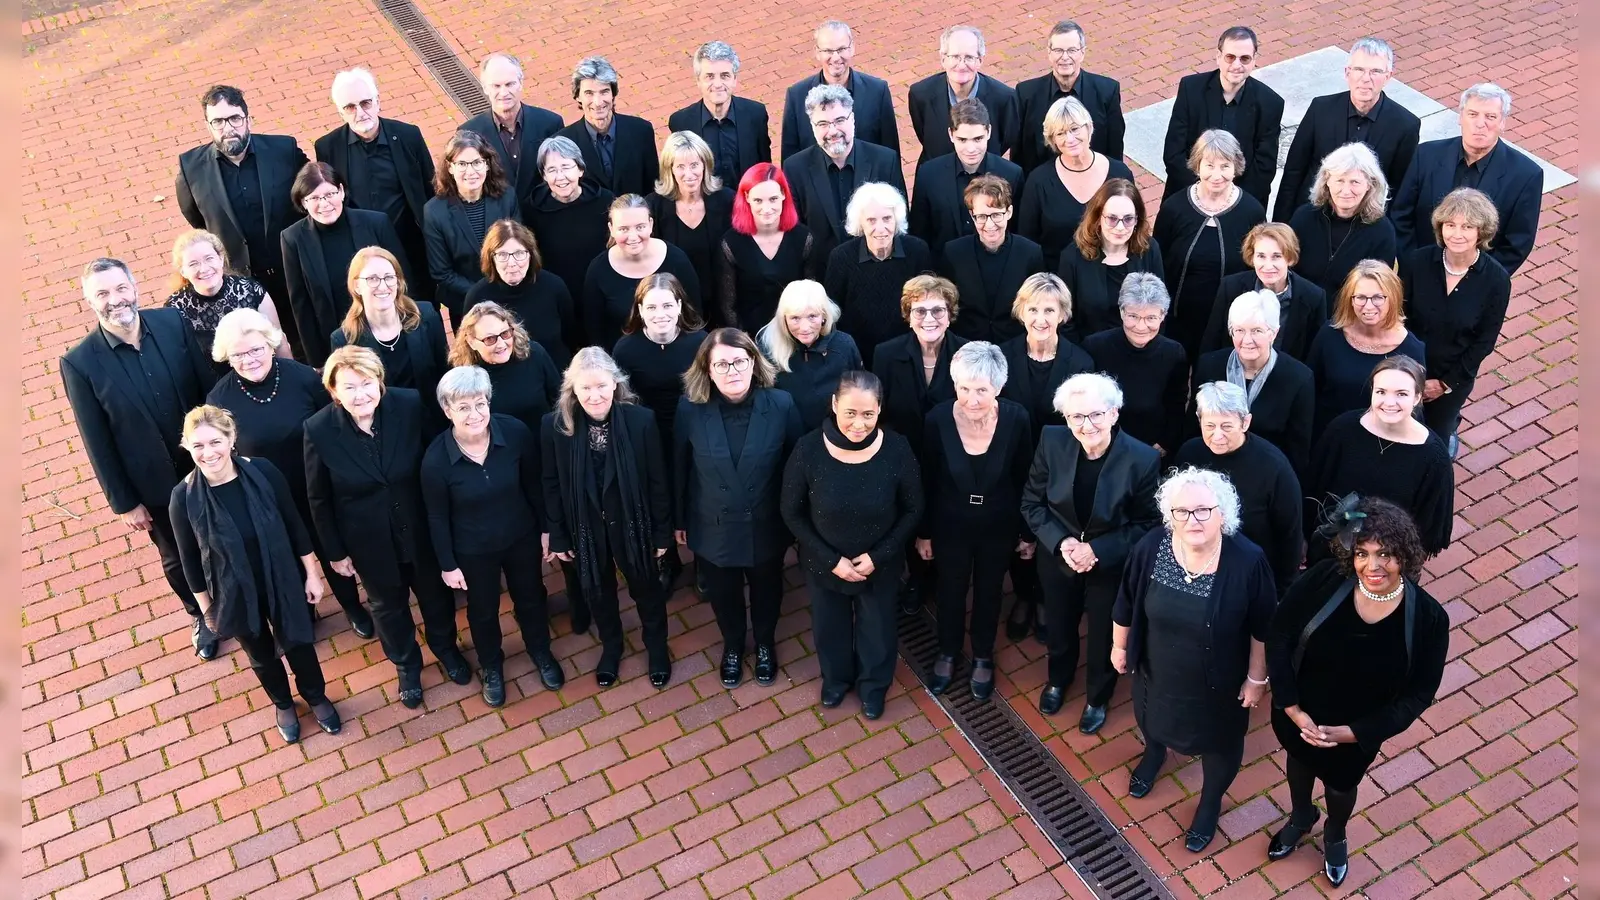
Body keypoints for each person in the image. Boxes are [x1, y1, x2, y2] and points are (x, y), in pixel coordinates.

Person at [1265, 496, 1449, 887]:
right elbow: (1280, 634)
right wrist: (1292, 708)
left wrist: (1356, 733)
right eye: (1363, 554)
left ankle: (1335, 832)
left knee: (1341, 785)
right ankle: (1301, 817)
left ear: (1406, 555)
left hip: (1359, 729)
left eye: (1386, 554)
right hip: (1302, 711)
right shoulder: (1325, 579)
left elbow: (1418, 695)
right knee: (1298, 760)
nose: (1373, 566)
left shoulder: (1430, 619)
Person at [62, 258, 220, 660]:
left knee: (228, 533)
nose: (114, 300)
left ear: (133, 286)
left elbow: (208, 388)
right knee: (177, 554)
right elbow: (95, 440)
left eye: (119, 288)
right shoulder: (79, 363)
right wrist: (124, 502)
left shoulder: (171, 323)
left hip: (207, 463)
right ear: (88, 301)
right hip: (153, 486)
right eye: (102, 294)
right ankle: (201, 615)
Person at [1111, 466, 1275, 850]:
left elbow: (1263, 627)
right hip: (1157, 670)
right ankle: (1154, 754)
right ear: (1170, 516)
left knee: (1219, 744)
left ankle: (1210, 802)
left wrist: (1256, 678)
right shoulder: (1151, 547)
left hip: (1218, 682)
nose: (1193, 520)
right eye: (1182, 512)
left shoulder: (1247, 561)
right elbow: (1126, 601)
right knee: (1150, 718)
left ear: (1223, 513)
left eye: (1203, 510)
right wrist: (1120, 647)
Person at [304, 346, 468, 709]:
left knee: (435, 597)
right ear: (333, 391)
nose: (360, 394)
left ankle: (445, 649)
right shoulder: (317, 430)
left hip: (420, 528)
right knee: (387, 606)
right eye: (349, 387)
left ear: (380, 381)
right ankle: (407, 665)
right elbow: (319, 498)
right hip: (368, 541)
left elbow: (437, 461)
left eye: (367, 383)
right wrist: (335, 551)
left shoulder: (409, 405)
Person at [171, 406, 336, 742]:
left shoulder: (263, 472)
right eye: (197, 445)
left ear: (231, 439)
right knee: (260, 654)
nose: (208, 453)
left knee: (299, 643)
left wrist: (312, 574)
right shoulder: (183, 497)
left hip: (283, 577)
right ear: (186, 446)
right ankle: (283, 703)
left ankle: (316, 696)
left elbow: (294, 524)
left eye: (215, 442)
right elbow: (189, 560)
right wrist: (207, 613)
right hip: (234, 590)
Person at [207, 310, 370, 638]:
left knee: (330, 546)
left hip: (316, 482)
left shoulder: (304, 378)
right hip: (266, 494)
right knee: (286, 555)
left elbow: (334, 425)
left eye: (256, 349)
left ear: (270, 344)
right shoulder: (219, 399)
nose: (250, 359)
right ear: (227, 357)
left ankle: (351, 605)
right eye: (239, 354)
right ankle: (304, 609)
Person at [781, 370, 923, 719]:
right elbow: (791, 512)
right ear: (834, 405)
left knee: (878, 628)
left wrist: (878, 556)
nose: (858, 424)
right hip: (824, 563)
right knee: (830, 626)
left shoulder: (897, 449)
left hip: (879, 564)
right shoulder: (808, 449)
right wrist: (831, 560)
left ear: (879, 411)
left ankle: (874, 686)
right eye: (850, 413)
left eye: (868, 414)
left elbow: (913, 508)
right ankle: (836, 680)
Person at [1021, 372, 1161, 728]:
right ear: (1065, 418)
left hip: (1110, 563)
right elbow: (1032, 503)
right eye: (1076, 416)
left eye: (1096, 414)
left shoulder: (1142, 459)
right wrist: (1062, 542)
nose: (1087, 425)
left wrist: (1096, 550)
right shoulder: (1051, 441)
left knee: (1103, 633)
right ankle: (1058, 679)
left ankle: (1098, 696)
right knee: (1059, 623)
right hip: (1059, 556)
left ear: (1114, 413)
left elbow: (1147, 525)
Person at [422, 366, 560, 706]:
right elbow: (436, 517)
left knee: (531, 597)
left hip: (521, 536)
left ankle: (540, 651)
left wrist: (546, 529)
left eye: (480, 403)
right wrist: (448, 565)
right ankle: (492, 666)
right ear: (447, 410)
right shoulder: (436, 460)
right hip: (472, 551)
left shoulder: (514, 433)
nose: (474, 414)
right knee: (482, 611)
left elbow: (534, 485)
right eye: (463, 407)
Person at [675, 329, 805, 687]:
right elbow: (680, 468)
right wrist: (678, 519)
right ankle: (733, 645)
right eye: (721, 364)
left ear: (753, 363)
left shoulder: (781, 404)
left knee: (767, 588)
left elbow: (797, 467)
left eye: (739, 361)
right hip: (711, 522)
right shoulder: (690, 408)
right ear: (707, 369)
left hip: (766, 521)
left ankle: (764, 643)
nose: (732, 370)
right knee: (723, 592)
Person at [541, 348, 675, 688]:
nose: (594, 395)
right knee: (598, 592)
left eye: (601, 386)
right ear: (573, 391)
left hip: (634, 525)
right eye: (585, 389)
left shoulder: (641, 421)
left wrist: (662, 535)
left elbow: (659, 482)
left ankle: (657, 648)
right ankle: (611, 647)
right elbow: (551, 484)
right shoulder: (557, 426)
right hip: (585, 528)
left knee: (647, 590)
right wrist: (557, 535)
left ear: (616, 385)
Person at [917, 342, 1034, 700]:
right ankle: (948, 651)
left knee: (989, 591)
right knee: (950, 590)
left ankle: (983, 655)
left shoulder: (1016, 419)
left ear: (998, 388)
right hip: (950, 524)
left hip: (998, 526)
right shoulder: (937, 419)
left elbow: (1026, 477)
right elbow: (927, 478)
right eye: (964, 388)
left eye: (981, 389)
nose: (971, 399)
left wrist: (1026, 533)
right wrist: (924, 533)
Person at [176, 85, 310, 353]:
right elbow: (197, 219)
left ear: (248, 119)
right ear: (208, 125)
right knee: (257, 353)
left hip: (293, 275)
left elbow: (308, 198)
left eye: (234, 118)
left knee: (306, 347)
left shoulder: (284, 149)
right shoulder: (190, 167)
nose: (228, 128)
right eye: (218, 121)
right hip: (239, 287)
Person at [875, 276, 968, 614]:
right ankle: (917, 577)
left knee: (948, 518)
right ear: (908, 314)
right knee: (911, 516)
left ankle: (946, 577)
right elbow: (880, 412)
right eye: (920, 310)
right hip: (905, 456)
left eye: (938, 310)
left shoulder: (968, 352)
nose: (929, 318)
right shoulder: (886, 354)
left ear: (951, 312)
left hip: (955, 459)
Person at [1304, 356, 1454, 560]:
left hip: (1388, 561)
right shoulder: (1341, 430)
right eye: (1381, 392)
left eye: (1401, 394)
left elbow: (1427, 533)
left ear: (1418, 397)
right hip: (1329, 550)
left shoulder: (1434, 458)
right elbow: (1314, 488)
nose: (1389, 403)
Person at [1390, 83, 1542, 275]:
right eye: (1473, 114)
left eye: (1490, 116)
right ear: (1460, 117)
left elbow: (1517, 244)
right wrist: (1416, 266)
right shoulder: (1426, 155)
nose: (1480, 123)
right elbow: (1401, 216)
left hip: (1478, 286)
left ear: (1502, 123)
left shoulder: (1526, 175)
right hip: (1417, 273)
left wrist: (1475, 280)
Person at [1401, 187, 1512, 448]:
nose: (1457, 234)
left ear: (1481, 233)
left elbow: (1483, 342)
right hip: (1407, 364)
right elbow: (1399, 315)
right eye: (1450, 225)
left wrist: (1444, 383)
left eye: (1467, 227)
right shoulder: (1417, 262)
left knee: (1434, 440)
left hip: (1452, 377)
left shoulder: (1496, 281)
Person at [315, 67, 437, 301]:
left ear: (378, 101)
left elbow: (430, 189)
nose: (360, 112)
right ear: (341, 112)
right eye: (350, 107)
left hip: (412, 249)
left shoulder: (408, 136)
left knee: (421, 310)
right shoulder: (327, 147)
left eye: (366, 103)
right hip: (362, 256)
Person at [1272, 38, 1421, 223]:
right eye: (1359, 69)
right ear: (1347, 72)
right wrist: (1281, 225)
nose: (1366, 78)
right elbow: (1294, 171)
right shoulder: (1320, 109)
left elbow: (1398, 189)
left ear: (1388, 76)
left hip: (1364, 224)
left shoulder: (1405, 125)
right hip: (1313, 216)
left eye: (1375, 71)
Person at [1173, 383, 1303, 594]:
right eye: (1209, 426)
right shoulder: (1189, 454)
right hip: (1194, 569)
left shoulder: (1274, 466)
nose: (1217, 435)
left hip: (1249, 577)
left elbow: (1290, 536)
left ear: (1245, 422)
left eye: (1226, 426)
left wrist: (1281, 591)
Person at [279, 161, 410, 366]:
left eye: (329, 194)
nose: (324, 204)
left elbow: (402, 280)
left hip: (388, 334)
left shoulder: (376, 223)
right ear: (303, 202)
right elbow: (301, 306)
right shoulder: (292, 238)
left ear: (341, 191)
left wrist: (408, 331)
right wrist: (317, 361)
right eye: (314, 198)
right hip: (339, 345)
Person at [1155, 129, 1268, 360]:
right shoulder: (1174, 208)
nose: (1217, 175)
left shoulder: (1251, 211)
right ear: (1197, 166)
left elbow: (1256, 267)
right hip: (1178, 317)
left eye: (1225, 166)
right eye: (1209, 165)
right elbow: (1157, 258)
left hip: (1225, 322)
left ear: (1236, 167)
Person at [1191, 290, 1316, 475]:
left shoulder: (1299, 379)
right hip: (1211, 473)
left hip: (1267, 476)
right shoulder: (1209, 366)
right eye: (1239, 330)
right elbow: (1194, 429)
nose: (1247, 340)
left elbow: (1298, 452)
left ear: (1274, 333)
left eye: (1257, 331)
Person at [329, 247, 450, 432]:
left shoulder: (426, 316)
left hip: (437, 424)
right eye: (372, 279)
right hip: (389, 433)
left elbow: (445, 372)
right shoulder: (344, 339)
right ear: (356, 286)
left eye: (389, 277)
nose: (383, 286)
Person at [1161, 27, 1284, 207]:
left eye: (1245, 58)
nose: (1237, 65)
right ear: (1218, 57)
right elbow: (1174, 153)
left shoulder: (1270, 103)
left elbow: (1264, 168)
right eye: (1230, 57)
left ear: (1254, 60)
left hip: (1240, 202)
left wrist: (1230, 202)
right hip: (1188, 195)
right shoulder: (1191, 89)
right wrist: (1201, 196)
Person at [782, 84, 907, 262]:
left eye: (840, 120)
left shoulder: (885, 160)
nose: (833, 131)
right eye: (823, 124)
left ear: (853, 119)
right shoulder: (795, 168)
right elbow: (795, 232)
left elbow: (899, 221)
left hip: (875, 266)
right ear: (812, 126)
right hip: (821, 273)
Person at [1305, 260, 1426, 437]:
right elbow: (1310, 388)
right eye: (1360, 297)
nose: (1368, 306)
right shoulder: (1330, 334)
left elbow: (1413, 412)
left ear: (1392, 298)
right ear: (1350, 299)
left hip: (1380, 441)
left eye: (1378, 297)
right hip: (1330, 436)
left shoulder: (1411, 349)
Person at [1017, 96, 1137, 273]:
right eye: (1060, 133)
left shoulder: (1120, 174)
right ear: (1053, 140)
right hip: (1058, 280)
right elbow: (1028, 241)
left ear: (1089, 128)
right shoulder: (1038, 181)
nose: (1070, 139)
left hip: (1109, 274)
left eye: (1074, 129)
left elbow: (1133, 227)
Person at [823, 182, 934, 369]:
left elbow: (927, 303)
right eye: (871, 220)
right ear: (860, 223)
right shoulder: (841, 257)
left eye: (887, 218)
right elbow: (832, 313)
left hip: (907, 354)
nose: (880, 228)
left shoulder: (917, 251)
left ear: (896, 219)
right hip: (858, 357)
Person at [1083, 274, 1189, 456]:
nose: (1141, 326)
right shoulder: (1095, 347)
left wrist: (1165, 443)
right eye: (1133, 316)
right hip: (1104, 446)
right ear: (1122, 312)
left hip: (1151, 449)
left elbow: (1176, 404)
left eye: (1151, 318)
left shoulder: (1174, 353)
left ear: (1162, 316)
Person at [582, 194, 704, 352]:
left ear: (651, 224)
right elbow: (594, 332)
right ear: (611, 229)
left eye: (640, 227)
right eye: (624, 229)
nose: (633, 236)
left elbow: (694, 317)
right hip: (621, 363)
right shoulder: (598, 269)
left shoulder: (677, 261)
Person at [423, 131, 520, 323]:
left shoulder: (507, 197)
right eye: (462, 164)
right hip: (467, 304)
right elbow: (441, 272)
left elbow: (519, 248)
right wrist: (483, 295)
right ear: (450, 167)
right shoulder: (434, 211)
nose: (471, 171)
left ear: (487, 164)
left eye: (477, 162)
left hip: (511, 296)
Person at [909, 99, 1024, 258]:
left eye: (978, 139)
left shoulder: (1012, 174)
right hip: (944, 270)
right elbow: (919, 232)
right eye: (962, 140)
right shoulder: (928, 174)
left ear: (989, 132)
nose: (971, 149)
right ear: (951, 134)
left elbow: (1018, 231)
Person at [524, 136, 616, 336]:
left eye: (566, 167)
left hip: (601, 296)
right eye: (552, 170)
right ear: (544, 175)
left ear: (580, 169)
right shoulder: (531, 210)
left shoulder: (606, 201)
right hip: (557, 302)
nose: (560, 176)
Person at [940, 175, 1045, 345]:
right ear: (972, 215)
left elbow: (1036, 303)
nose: (989, 225)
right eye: (981, 216)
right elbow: (947, 303)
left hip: (1015, 344)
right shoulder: (953, 252)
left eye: (996, 215)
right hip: (966, 344)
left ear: (1009, 212)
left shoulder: (1031, 253)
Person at [1198, 223, 1326, 361]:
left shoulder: (1313, 297)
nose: (1268, 265)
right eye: (1261, 256)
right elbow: (1211, 343)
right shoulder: (1231, 287)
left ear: (1289, 258)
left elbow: (1314, 357)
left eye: (1276, 256)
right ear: (1252, 258)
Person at [165, 230, 294, 367]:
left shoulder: (251, 291)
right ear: (183, 271)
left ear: (221, 259)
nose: (204, 269)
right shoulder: (174, 309)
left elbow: (278, 341)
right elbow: (178, 361)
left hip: (257, 373)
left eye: (209, 258)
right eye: (193, 264)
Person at [1057, 178, 1165, 338]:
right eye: (1112, 219)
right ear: (1098, 218)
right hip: (1090, 353)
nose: (1120, 227)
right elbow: (1065, 318)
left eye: (1128, 219)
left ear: (1137, 220)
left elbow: (1160, 305)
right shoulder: (1072, 257)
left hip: (1140, 346)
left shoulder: (1149, 249)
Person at [1287, 143, 1398, 297]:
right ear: (1327, 181)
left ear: (1370, 185)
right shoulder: (1304, 217)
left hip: (1347, 316)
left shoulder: (1382, 231)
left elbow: (1376, 289)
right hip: (1300, 306)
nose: (1346, 191)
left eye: (1355, 182)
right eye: (1339, 180)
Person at [1015, 20, 1126, 174]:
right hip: (1043, 187)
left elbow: (1114, 151)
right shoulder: (1026, 94)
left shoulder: (1107, 91)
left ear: (1083, 52)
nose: (1065, 57)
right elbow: (1019, 154)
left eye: (1072, 50)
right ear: (1049, 52)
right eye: (1058, 50)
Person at [464, 219, 577, 368]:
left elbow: (572, 337)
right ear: (491, 258)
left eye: (519, 253)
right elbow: (471, 351)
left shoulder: (554, 287)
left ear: (530, 255)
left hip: (555, 374)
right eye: (502, 255)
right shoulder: (477, 297)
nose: (511, 263)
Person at [780, 20, 900, 161]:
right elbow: (790, 158)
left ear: (852, 48)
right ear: (817, 52)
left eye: (842, 49)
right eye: (828, 51)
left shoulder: (877, 91)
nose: (836, 58)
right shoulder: (797, 96)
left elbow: (890, 151)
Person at [647, 132, 734, 323]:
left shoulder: (727, 200)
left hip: (723, 305)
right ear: (669, 169)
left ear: (705, 165)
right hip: (675, 311)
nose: (689, 174)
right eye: (680, 167)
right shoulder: (654, 207)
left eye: (695, 165)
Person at [998, 274, 1096, 443]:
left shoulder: (1081, 364)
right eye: (1033, 310)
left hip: (1058, 458)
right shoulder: (1001, 357)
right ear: (1021, 313)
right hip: (1010, 454)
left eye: (1049, 310)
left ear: (1061, 315)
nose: (1041, 320)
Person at [458, 53, 563, 210]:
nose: (504, 92)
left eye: (509, 84)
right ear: (485, 88)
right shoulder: (469, 132)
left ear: (520, 83)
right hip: (499, 224)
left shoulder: (550, 123)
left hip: (545, 215)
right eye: (496, 86)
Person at [720, 163, 817, 330]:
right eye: (758, 200)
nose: (767, 208)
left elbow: (813, 297)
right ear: (747, 197)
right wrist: (745, 344)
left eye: (773, 199)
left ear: (783, 195)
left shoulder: (803, 238)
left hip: (796, 334)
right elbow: (727, 305)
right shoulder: (731, 243)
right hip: (750, 339)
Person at [758, 280, 864, 430]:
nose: (805, 327)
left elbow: (859, 391)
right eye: (795, 318)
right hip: (787, 434)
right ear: (784, 319)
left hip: (834, 433)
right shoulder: (768, 347)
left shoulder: (844, 344)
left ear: (824, 316)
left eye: (812, 316)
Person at [907, 25, 1020, 163]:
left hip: (985, 177)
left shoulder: (1004, 98)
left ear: (980, 60)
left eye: (969, 57)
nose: (961, 65)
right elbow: (924, 134)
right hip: (936, 173)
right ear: (943, 59)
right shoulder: (921, 94)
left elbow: (1006, 139)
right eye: (954, 57)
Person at [667, 41, 772, 189]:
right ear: (698, 81)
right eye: (709, 76)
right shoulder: (681, 122)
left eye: (725, 76)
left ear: (734, 79)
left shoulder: (755, 114)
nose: (717, 84)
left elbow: (764, 168)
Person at [448, 301, 562, 434]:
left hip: (544, 444)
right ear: (471, 342)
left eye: (505, 334)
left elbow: (559, 400)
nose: (501, 344)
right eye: (490, 339)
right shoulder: (464, 377)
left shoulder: (534, 354)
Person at [554, 56, 659, 198]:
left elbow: (653, 189)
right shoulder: (564, 142)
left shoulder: (641, 131)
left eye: (604, 91)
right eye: (589, 93)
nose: (597, 102)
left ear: (613, 94)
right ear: (577, 96)